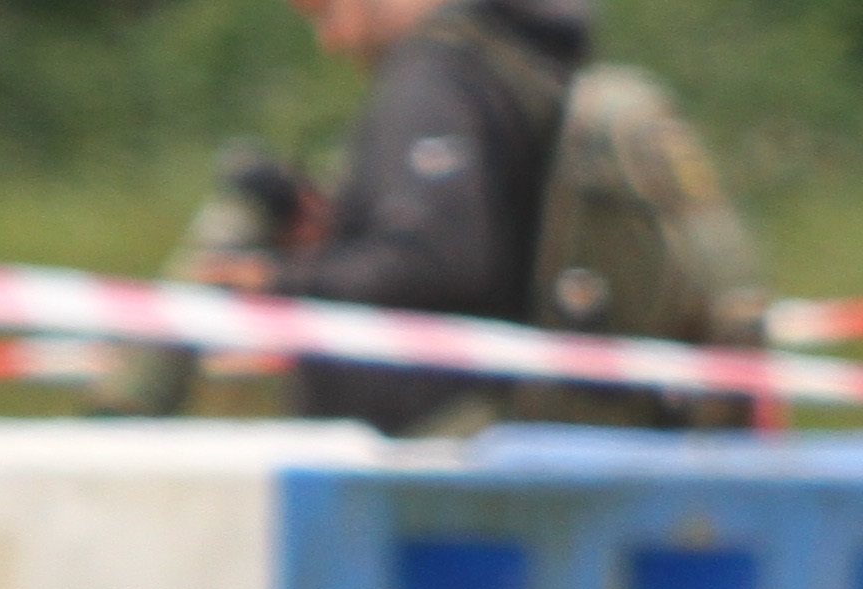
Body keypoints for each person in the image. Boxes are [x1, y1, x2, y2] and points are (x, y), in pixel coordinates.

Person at [207, 0, 595, 435]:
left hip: (435, 444)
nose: (330, 43)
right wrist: (334, 233)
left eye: (327, 14)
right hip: (499, 426)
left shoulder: (432, 78)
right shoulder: (501, 59)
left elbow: (438, 258)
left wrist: (276, 280)